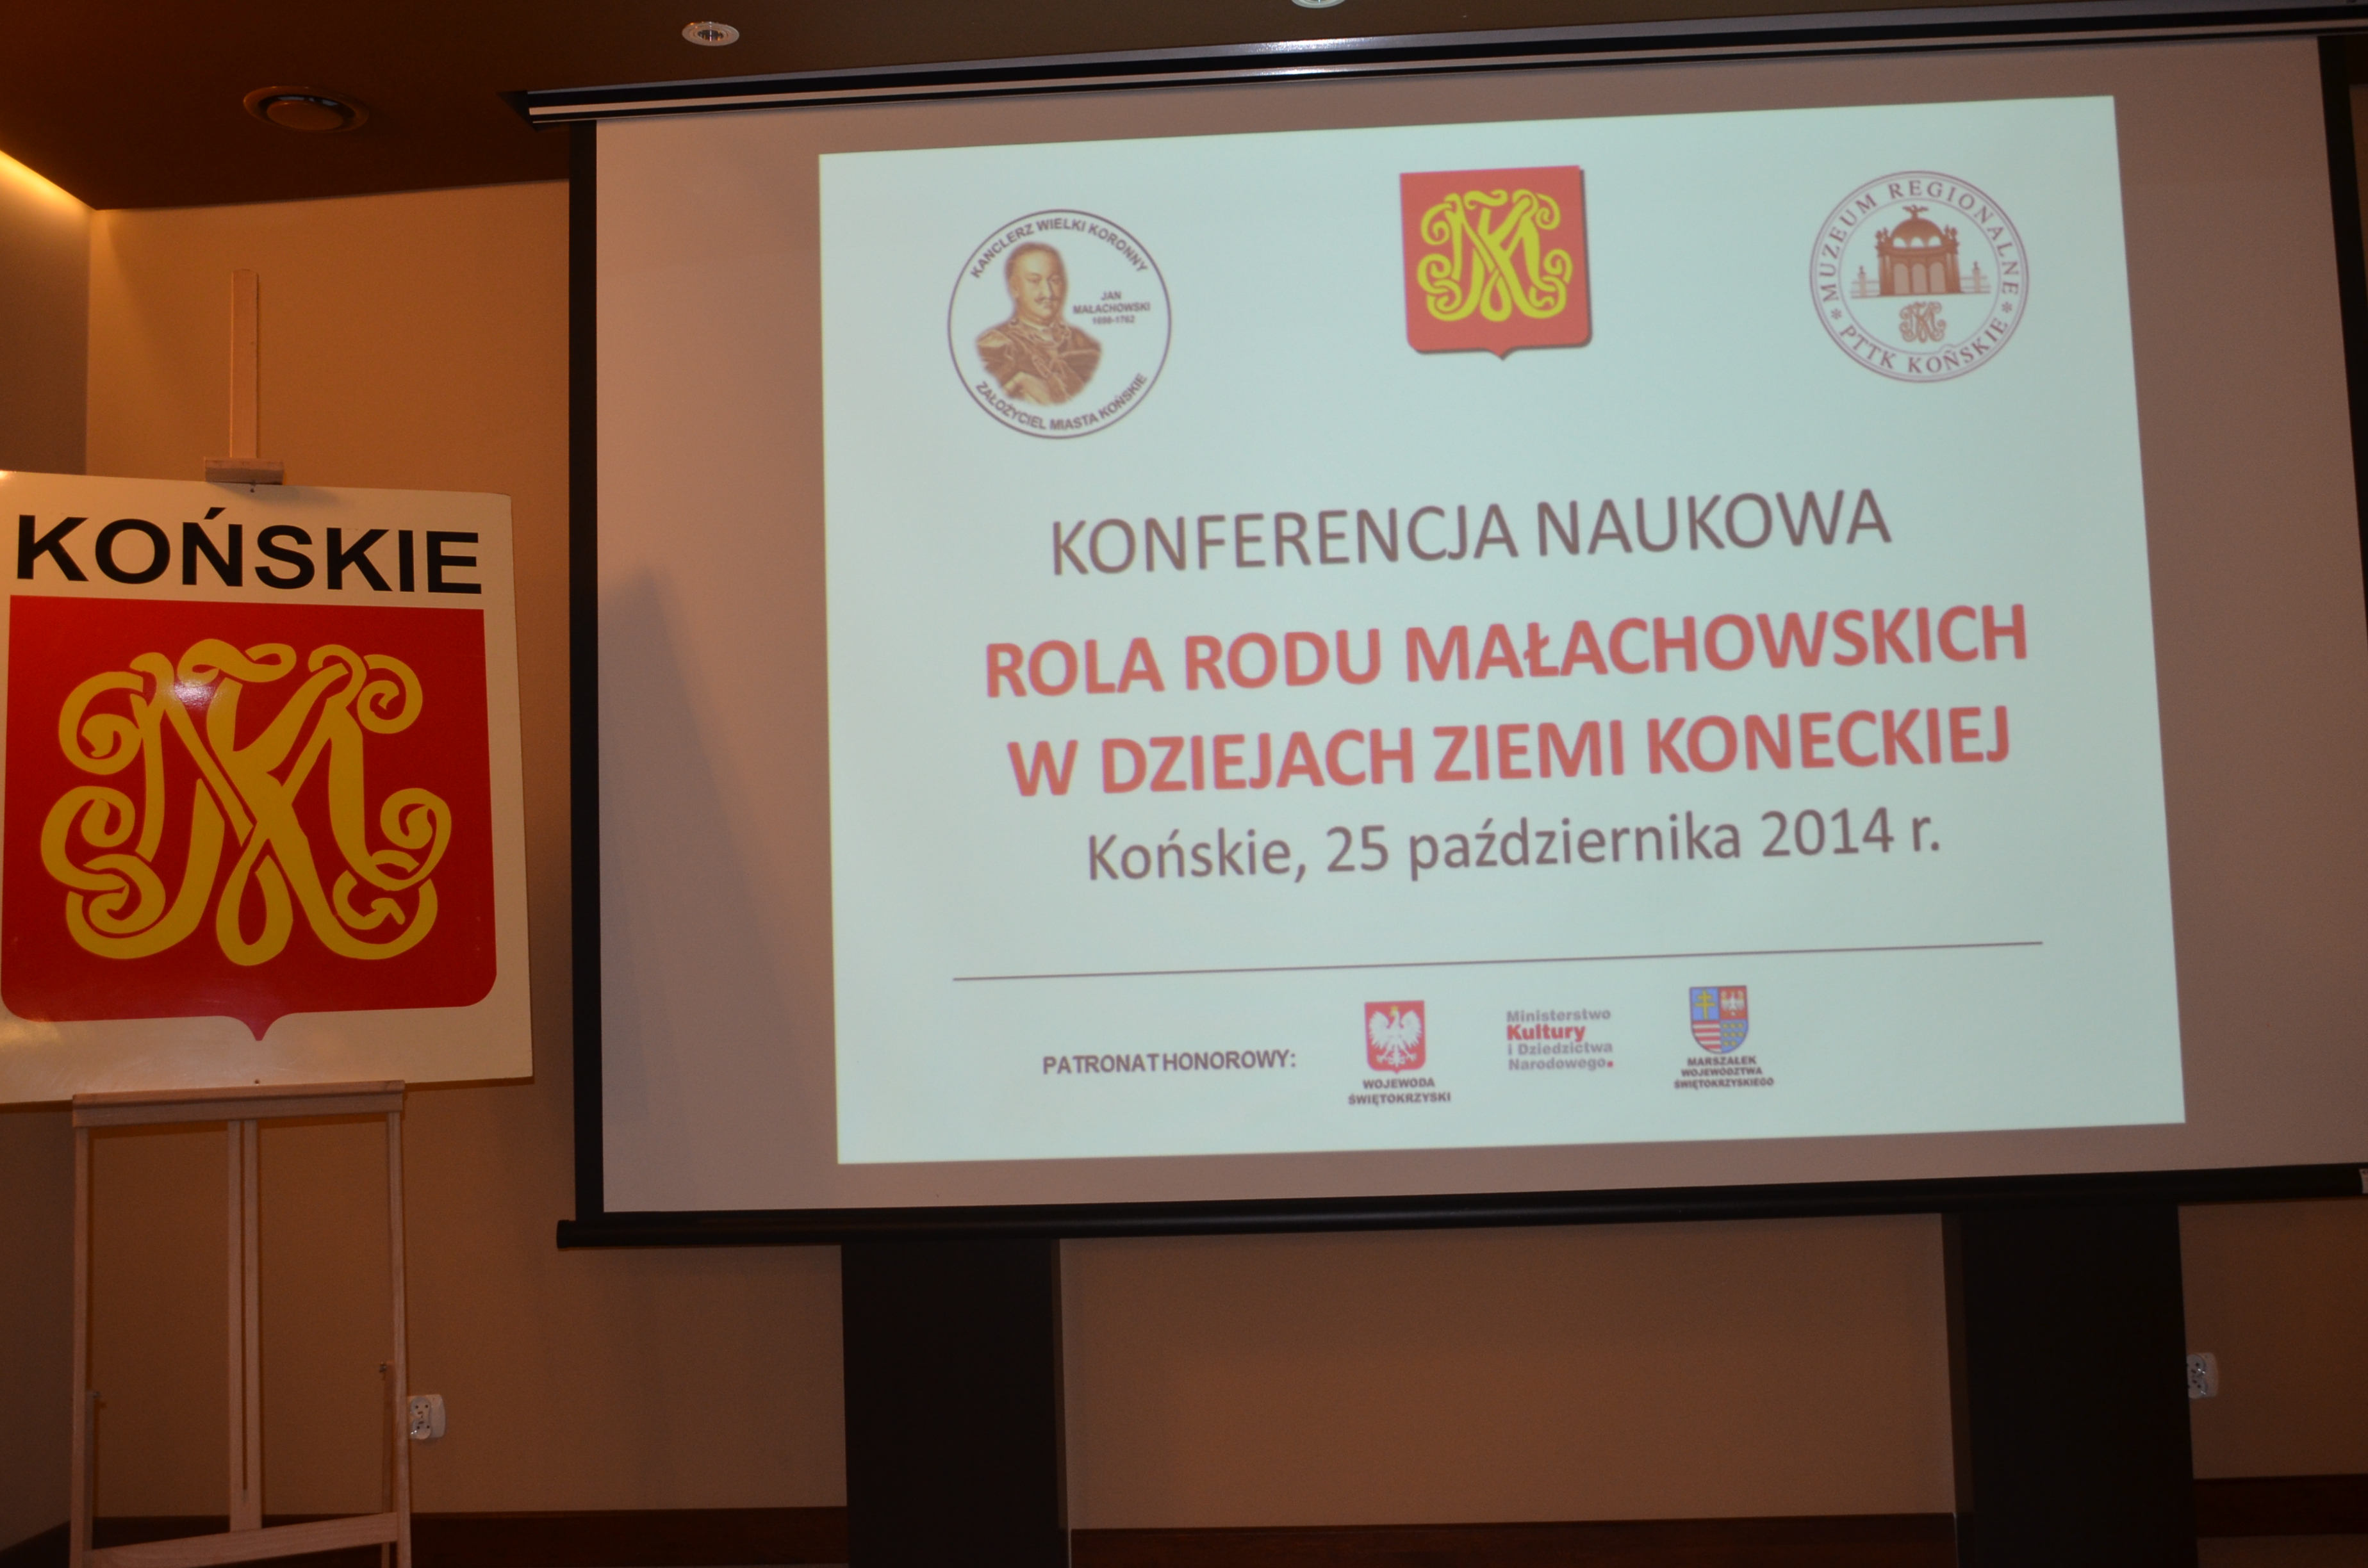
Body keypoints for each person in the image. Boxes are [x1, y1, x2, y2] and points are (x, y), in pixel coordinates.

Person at [976, 243, 1100, 406]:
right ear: (1014, 288)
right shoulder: (998, 345)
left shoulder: (1083, 341)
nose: (1048, 293)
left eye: (1055, 281)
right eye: (1034, 281)